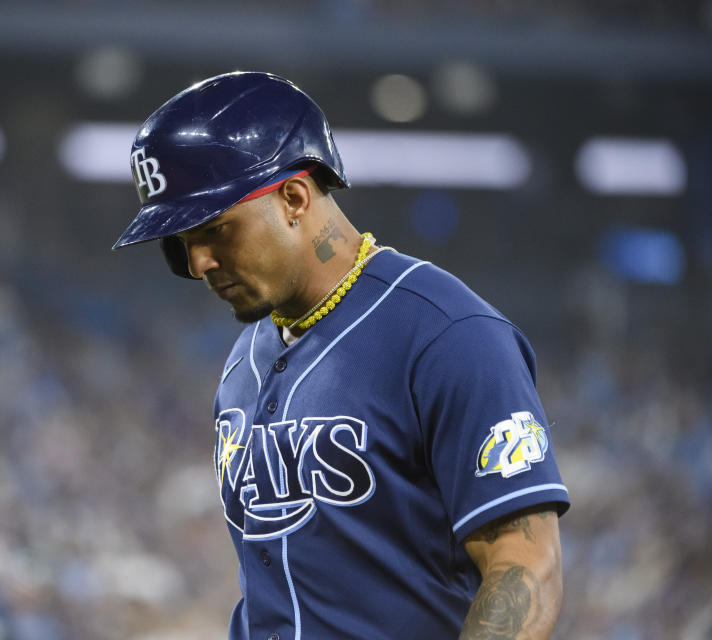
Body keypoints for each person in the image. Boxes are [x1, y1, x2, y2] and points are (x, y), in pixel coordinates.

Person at [113, 71, 569, 640]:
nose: (199, 262)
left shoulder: (447, 333)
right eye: (181, 243)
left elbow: (526, 562)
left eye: (215, 229)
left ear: (295, 198)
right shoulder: (242, 363)